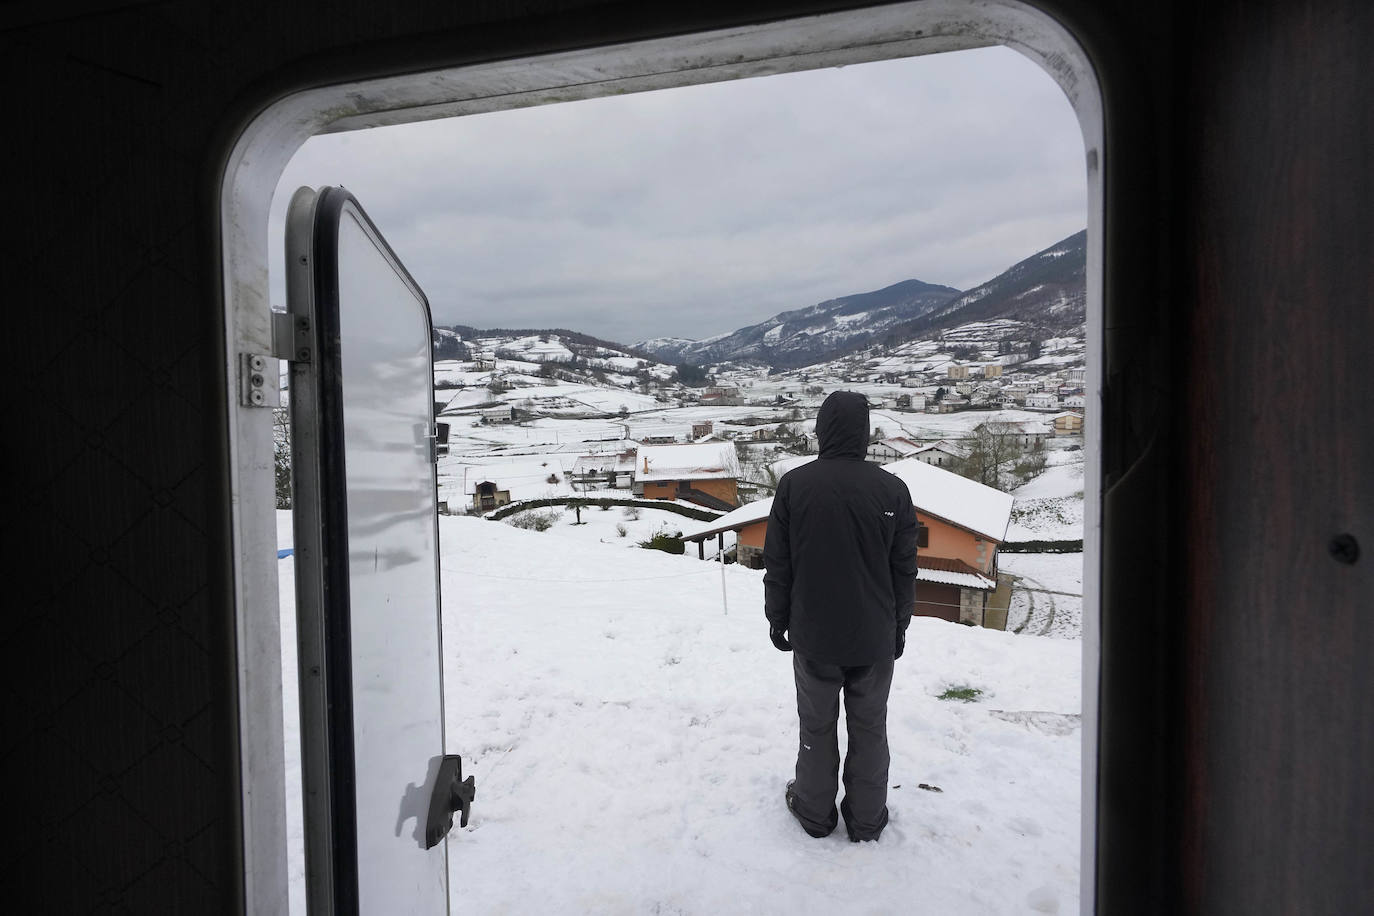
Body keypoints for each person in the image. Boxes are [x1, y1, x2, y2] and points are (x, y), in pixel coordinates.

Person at [764, 390, 919, 842]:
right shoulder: (892, 490)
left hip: (814, 635)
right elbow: (904, 569)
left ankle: (814, 812)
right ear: (864, 433)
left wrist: (777, 617)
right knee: (870, 727)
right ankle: (867, 820)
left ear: (821, 429)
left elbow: (779, 563)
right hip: (874, 637)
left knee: (817, 724)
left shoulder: (795, 486)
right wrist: (900, 625)